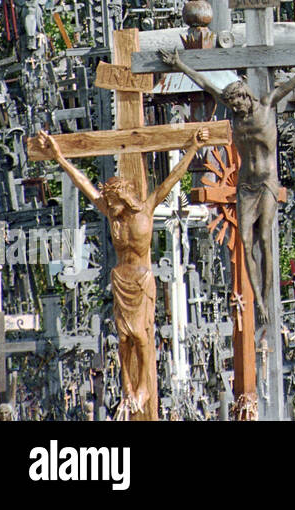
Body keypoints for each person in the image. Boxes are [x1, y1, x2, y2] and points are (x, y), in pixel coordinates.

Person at [160, 38, 295, 329]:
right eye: (231, 106)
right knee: (245, 241)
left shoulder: (267, 105)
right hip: (245, 185)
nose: (235, 109)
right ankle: (259, 302)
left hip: (266, 182)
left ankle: (266, 296)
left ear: (247, 97)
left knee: (264, 237)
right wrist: (178, 64)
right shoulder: (233, 108)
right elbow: (205, 82)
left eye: (238, 103)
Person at [37, 127, 211, 419]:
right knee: (123, 338)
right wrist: (58, 156)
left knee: (141, 337)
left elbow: (172, 179)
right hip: (121, 278)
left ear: (124, 197)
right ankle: (128, 389)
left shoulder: (147, 208)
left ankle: (144, 386)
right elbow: (83, 184)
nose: (109, 207)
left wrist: (192, 148)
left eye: (112, 201)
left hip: (142, 278)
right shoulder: (111, 212)